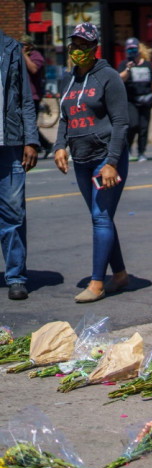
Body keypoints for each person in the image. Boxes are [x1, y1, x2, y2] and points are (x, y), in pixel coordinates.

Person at [53, 22, 130, 303]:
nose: (78, 50)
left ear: (95, 48)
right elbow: (65, 118)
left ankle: (97, 283)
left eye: (84, 46)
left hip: (105, 160)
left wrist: (112, 161)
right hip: (81, 159)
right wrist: (60, 146)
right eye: (75, 45)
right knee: (102, 217)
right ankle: (119, 274)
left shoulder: (108, 77)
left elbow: (121, 123)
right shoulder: (68, 80)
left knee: (99, 217)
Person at [0, 28, 39, 301]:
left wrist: (31, 140)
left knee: (13, 214)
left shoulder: (11, 48)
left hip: (10, 144)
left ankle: (15, 276)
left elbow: (25, 98)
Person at [118, 38, 152, 162]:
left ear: (139, 49)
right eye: (129, 49)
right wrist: (127, 69)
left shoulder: (147, 64)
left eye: (134, 48)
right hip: (131, 101)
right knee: (132, 125)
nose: (132, 51)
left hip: (146, 100)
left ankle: (142, 151)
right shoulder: (124, 64)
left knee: (144, 127)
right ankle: (128, 147)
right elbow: (119, 80)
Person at [20, 34, 53, 158]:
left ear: (30, 46)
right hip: (21, 95)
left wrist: (24, 55)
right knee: (24, 124)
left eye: (25, 45)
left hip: (33, 96)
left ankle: (45, 144)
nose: (22, 48)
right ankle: (40, 145)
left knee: (29, 124)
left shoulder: (36, 56)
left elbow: (34, 69)